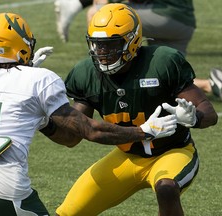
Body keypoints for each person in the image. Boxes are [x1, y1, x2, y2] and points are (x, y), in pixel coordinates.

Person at [0, 12, 178, 216]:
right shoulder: (38, 79)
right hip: (9, 189)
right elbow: (89, 131)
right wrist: (144, 131)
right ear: (21, 47)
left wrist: (25, 94)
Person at [55, 4, 218, 216]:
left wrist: (194, 118)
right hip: (127, 157)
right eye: (98, 45)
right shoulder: (87, 74)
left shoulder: (161, 62)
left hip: (172, 151)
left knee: (166, 188)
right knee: (66, 213)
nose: (102, 52)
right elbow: (73, 137)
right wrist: (44, 115)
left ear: (132, 41)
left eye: (111, 44)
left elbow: (210, 114)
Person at [54, 0, 222, 101]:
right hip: (184, 23)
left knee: (99, 14)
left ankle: (100, 82)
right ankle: (210, 84)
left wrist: (90, 4)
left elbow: (108, 7)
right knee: (170, 79)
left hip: (163, 16)